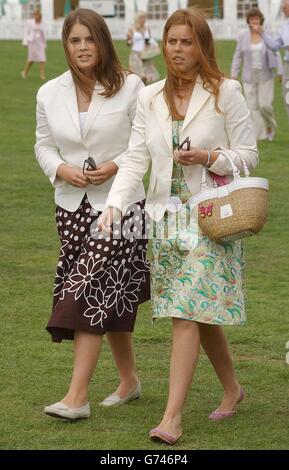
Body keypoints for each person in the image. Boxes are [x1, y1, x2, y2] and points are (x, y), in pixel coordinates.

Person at [99, 7, 258, 444]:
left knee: (186, 314)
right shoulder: (149, 97)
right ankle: (232, 388)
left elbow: (249, 155)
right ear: (163, 45)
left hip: (210, 215)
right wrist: (114, 205)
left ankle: (171, 418)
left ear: (202, 46)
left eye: (187, 42)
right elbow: (135, 158)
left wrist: (210, 157)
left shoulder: (226, 91)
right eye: (172, 42)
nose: (178, 50)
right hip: (164, 221)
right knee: (198, 311)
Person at [35, 8, 150, 420]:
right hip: (70, 207)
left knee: (88, 288)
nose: (83, 48)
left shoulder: (132, 86)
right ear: (65, 45)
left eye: (90, 39)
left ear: (103, 42)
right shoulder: (48, 92)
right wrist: (61, 169)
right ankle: (129, 380)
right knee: (110, 291)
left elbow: (144, 144)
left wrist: (116, 166)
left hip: (124, 204)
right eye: (74, 40)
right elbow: (43, 145)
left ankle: (76, 397)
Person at [231, 7, 283, 141]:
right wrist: (234, 73)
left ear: (260, 20)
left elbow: (276, 53)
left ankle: (269, 125)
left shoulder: (268, 34)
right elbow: (238, 56)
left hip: (265, 74)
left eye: (257, 18)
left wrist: (280, 71)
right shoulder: (242, 36)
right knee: (252, 107)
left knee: (264, 105)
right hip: (249, 75)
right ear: (248, 21)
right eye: (252, 19)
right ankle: (259, 136)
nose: (254, 21)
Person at [250, 0, 289, 122]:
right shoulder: (284, 26)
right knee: (287, 100)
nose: (283, 9)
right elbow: (275, 46)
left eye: (285, 7)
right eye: (283, 7)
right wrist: (263, 33)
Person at [127, 11, 159, 85]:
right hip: (135, 55)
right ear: (137, 18)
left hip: (145, 55)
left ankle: (145, 90)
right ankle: (137, 91)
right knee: (137, 76)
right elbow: (128, 41)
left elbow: (150, 39)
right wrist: (129, 41)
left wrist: (155, 44)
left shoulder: (147, 28)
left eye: (144, 18)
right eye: (141, 18)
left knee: (146, 76)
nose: (143, 20)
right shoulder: (132, 29)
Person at [22, 9, 46, 80]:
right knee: (31, 59)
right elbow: (26, 32)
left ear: (39, 16)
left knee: (42, 59)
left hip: (40, 42)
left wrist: (44, 44)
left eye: (36, 15)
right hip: (32, 42)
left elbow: (43, 34)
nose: (35, 16)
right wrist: (25, 42)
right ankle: (25, 72)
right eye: (34, 15)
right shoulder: (30, 22)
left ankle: (42, 75)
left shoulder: (42, 23)